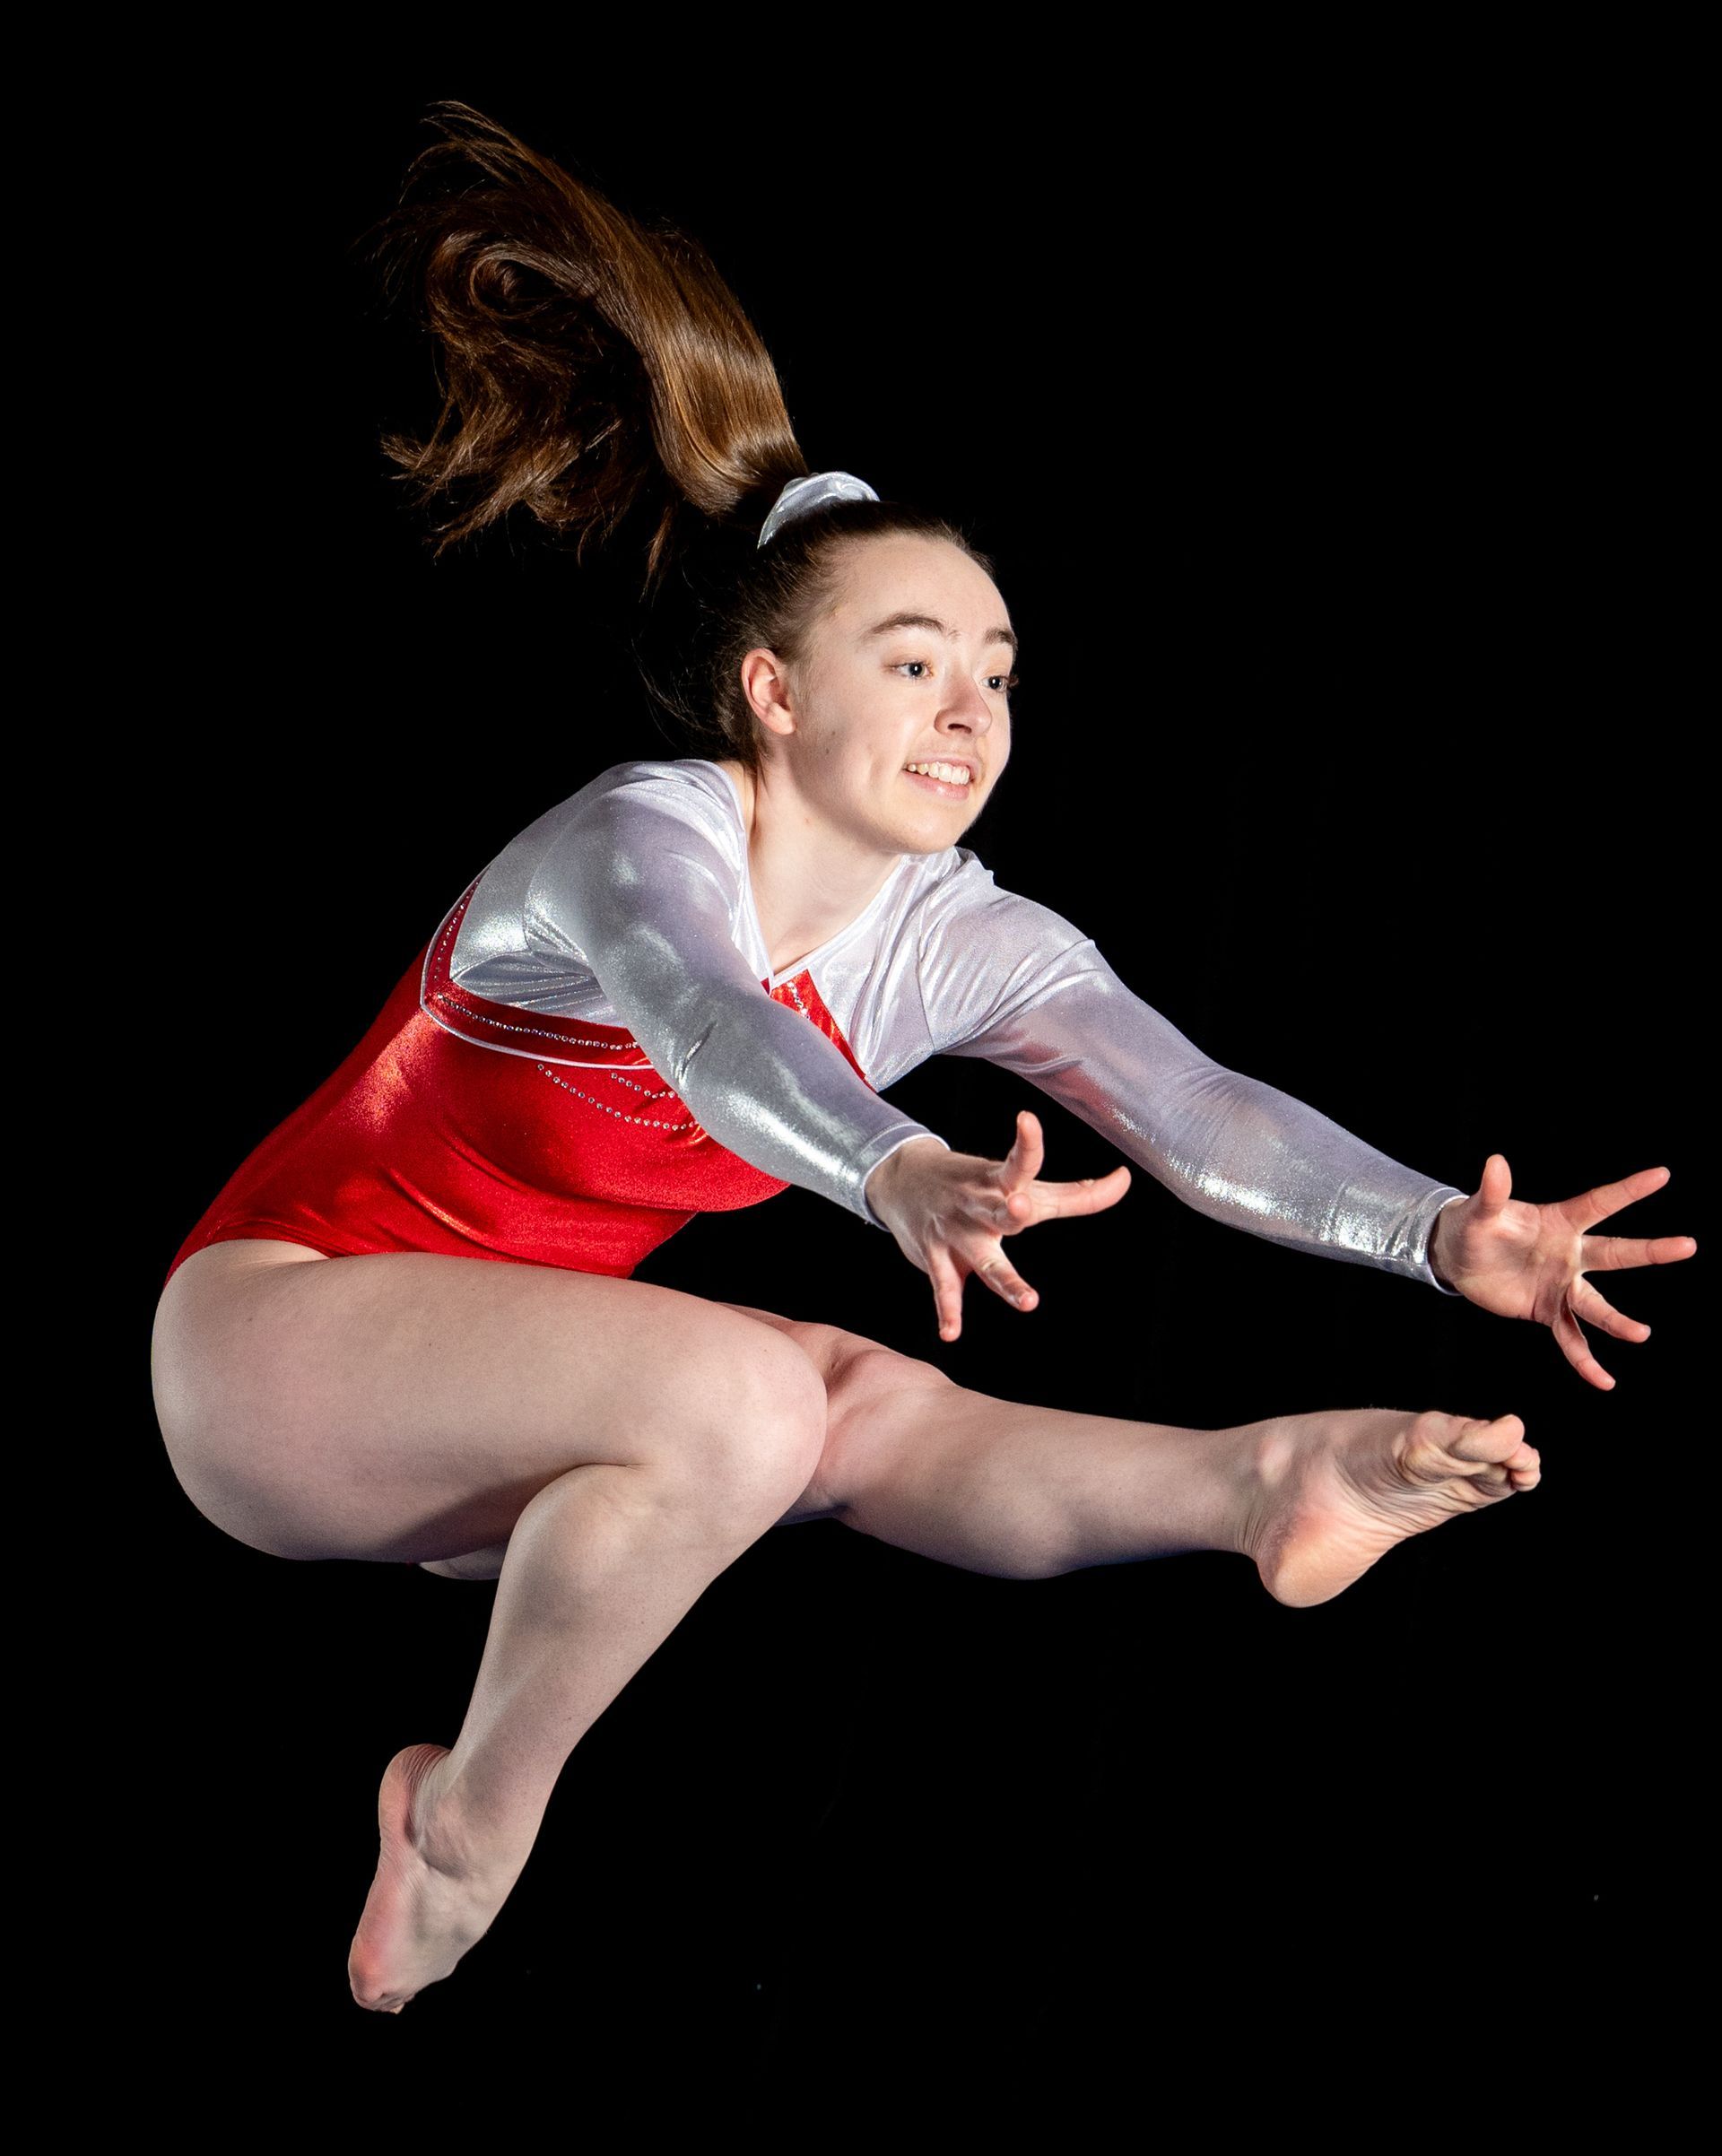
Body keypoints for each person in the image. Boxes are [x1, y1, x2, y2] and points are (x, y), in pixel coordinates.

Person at [148, 104, 1695, 2016]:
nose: (971, 710)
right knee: (751, 1397)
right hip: (273, 1352)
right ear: (773, 691)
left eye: (997, 671)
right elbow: (706, 1025)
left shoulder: (960, 934)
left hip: (491, 1424)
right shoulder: (644, 837)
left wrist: (1438, 1239)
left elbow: (1193, 1105)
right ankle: (468, 1823)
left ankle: (1266, 1481)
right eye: (912, 663)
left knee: (843, 1411)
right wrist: (885, 1161)